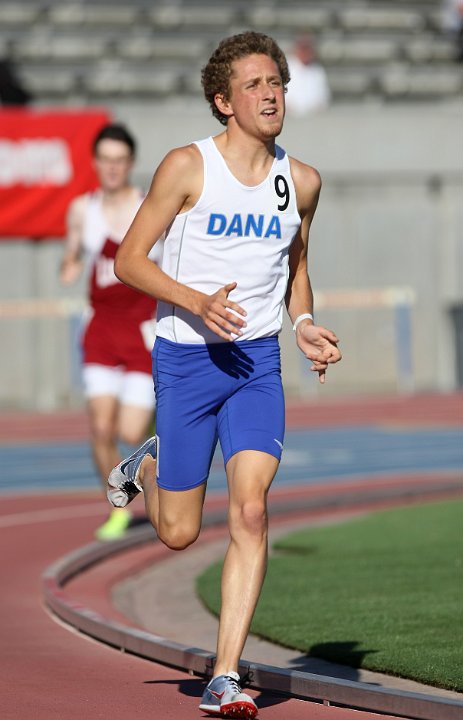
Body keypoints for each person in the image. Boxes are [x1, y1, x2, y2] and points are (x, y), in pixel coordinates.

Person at [107, 32, 341, 718]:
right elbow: (129, 260)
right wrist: (195, 300)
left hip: (254, 366)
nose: (270, 94)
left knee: (250, 510)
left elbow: (295, 274)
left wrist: (302, 327)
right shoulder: (186, 167)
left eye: (277, 83)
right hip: (185, 358)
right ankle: (148, 468)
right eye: (254, 85)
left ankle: (225, 673)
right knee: (178, 531)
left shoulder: (301, 182)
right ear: (223, 101)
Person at [60, 123, 162, 541]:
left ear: (131, 163)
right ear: (95, 163)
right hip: (101, 329)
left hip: (142, 332)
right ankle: (118, 505)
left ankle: (158, 429)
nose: (113, 168)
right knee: (101, 430)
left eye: (120, 161)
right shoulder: (82, 210)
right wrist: (68, 266)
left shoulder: (149, 207)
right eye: (106, 160)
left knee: (130, 434)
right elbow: (71, 254)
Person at [284, 34, 330, 116]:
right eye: (303, 48)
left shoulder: (318, 71)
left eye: (308, 49)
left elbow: (323, 99)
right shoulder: (285, 67)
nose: (305, 52)